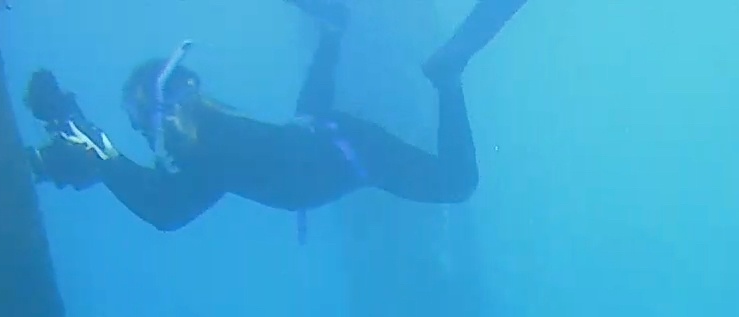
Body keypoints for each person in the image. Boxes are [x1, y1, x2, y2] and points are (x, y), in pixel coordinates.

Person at [26, 0, 529, 232]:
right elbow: (166, 194)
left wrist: (99, 150)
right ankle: (333, 30)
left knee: (457, 183)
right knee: (304, 121)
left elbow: (166, 210)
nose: (147, 127)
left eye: (144, 114)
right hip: (319, 141)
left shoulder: (206, 147)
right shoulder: (209, 138)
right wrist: (95, 150)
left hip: (349, 154)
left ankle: (447, 75)